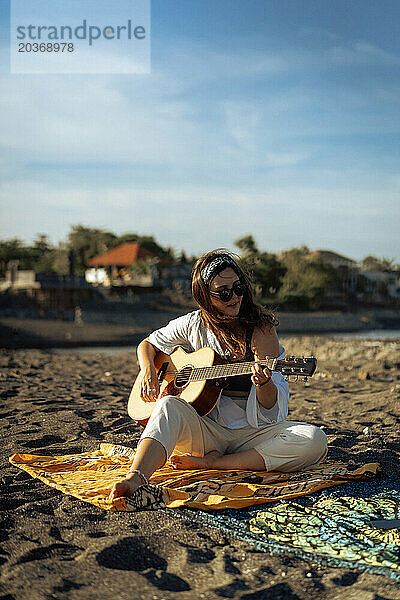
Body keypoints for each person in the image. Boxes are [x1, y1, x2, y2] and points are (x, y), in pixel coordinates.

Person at [108, 250, 327, 503]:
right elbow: (148, 344)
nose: (234, 297)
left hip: (252, 436)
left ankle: (217, 463)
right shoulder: (193, 323)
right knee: (168, 404)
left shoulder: (261, 329)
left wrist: (264, 382)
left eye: (238, 287)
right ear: (205, 297)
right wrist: (148, 370)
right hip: (205, 431)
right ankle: (137, 477)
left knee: (314, 440)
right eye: (224, 292)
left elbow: (270, 411)